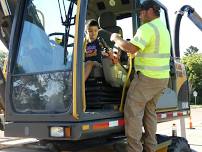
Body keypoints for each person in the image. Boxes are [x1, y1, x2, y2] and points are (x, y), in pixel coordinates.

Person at [110, 0, 170, 152]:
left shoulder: (147, 28)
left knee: (132, 110)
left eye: (141, 11)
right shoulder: (162, 28)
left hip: (147, 78)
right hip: (161, 79)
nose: (140, 14)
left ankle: (134, 149)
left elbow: (130, 48)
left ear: (150, 10)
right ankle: (151, 148)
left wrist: (116, 38)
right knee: (149, 113)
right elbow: (143, 50)